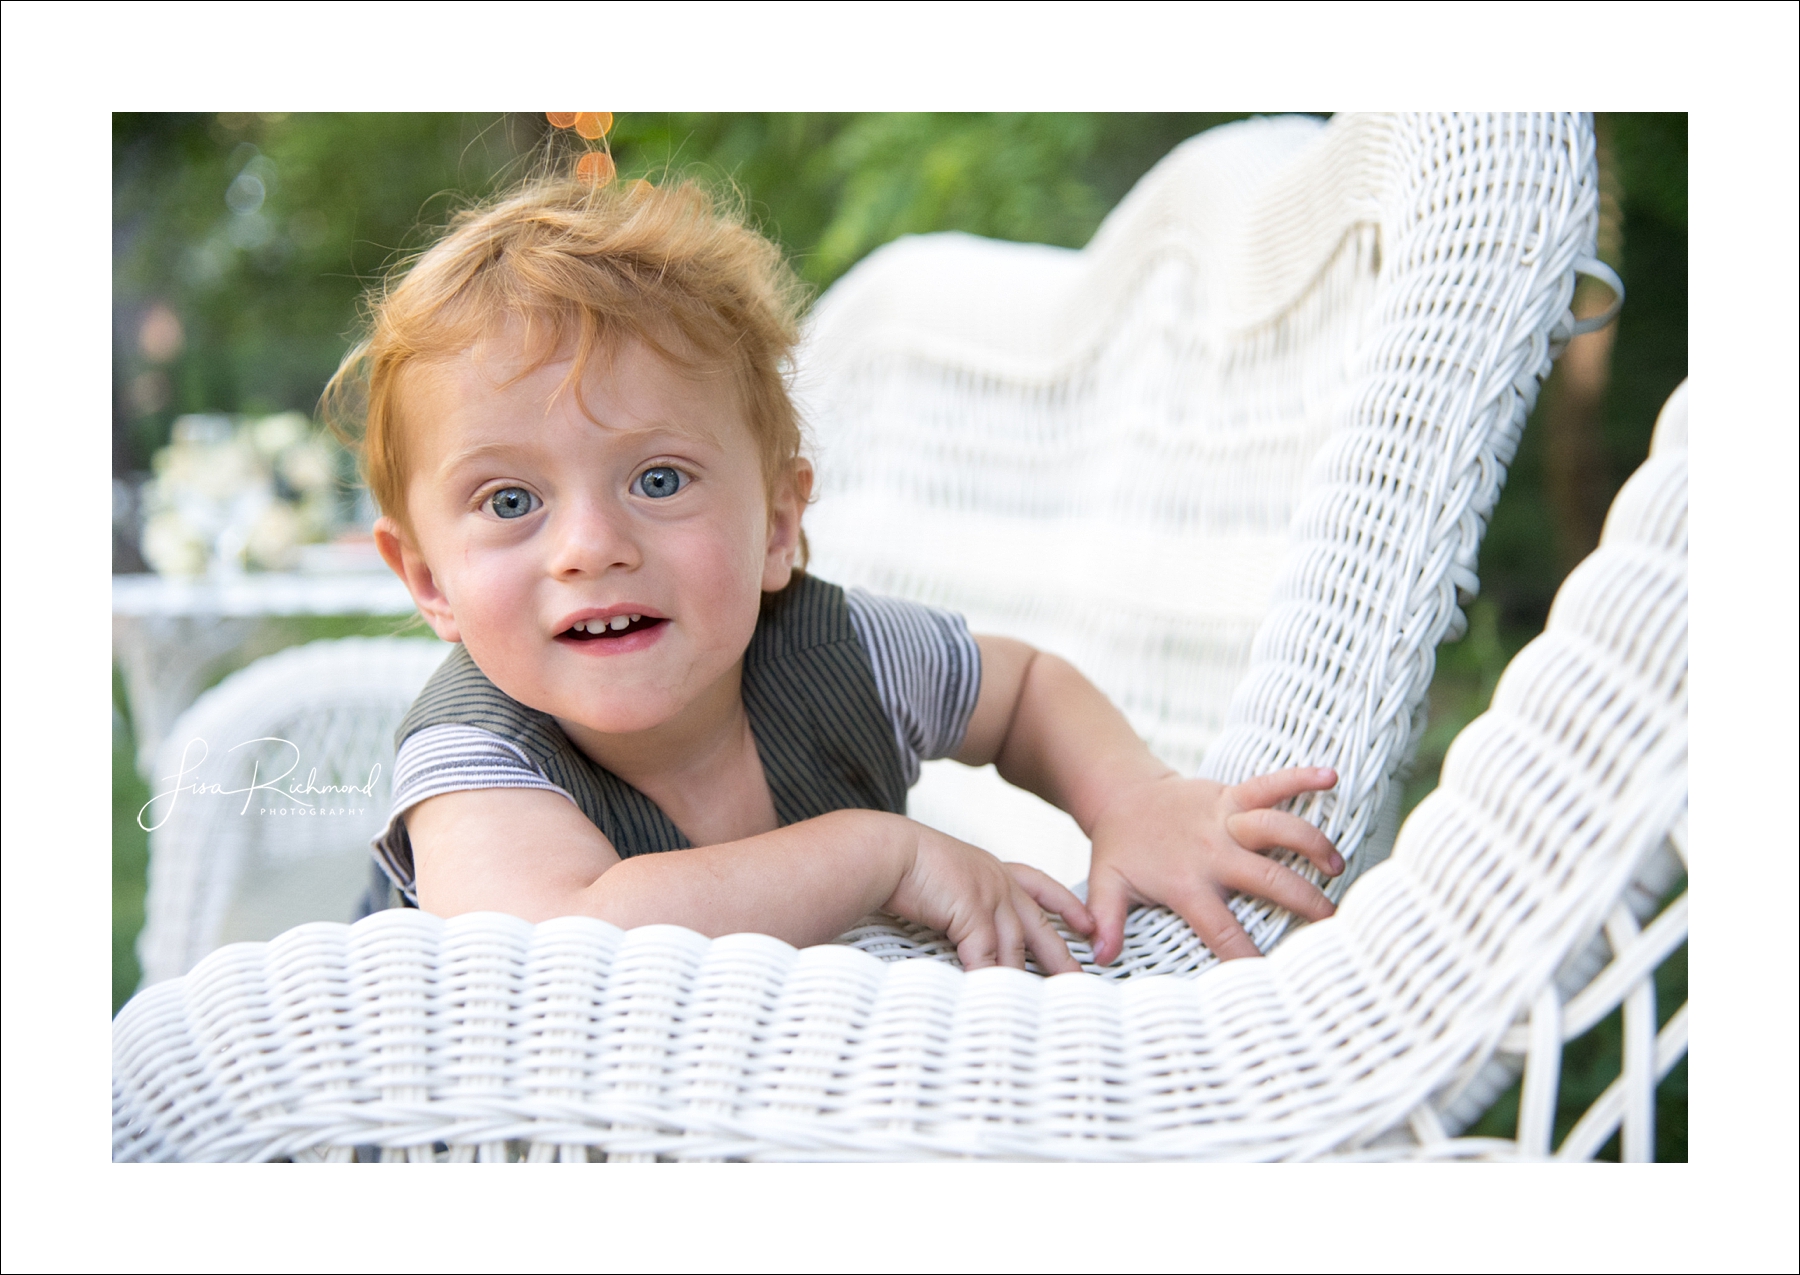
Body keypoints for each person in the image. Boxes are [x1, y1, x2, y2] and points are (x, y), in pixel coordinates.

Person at [328, 174, 1343, 976]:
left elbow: (1023, 688)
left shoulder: (838, 655)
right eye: (511, 502)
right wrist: (879, 855)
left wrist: (1133, 797)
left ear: (777, 525)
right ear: (427, 579)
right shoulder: (475, 759)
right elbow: (566, 947)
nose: (590, 546)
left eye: (659, 477)